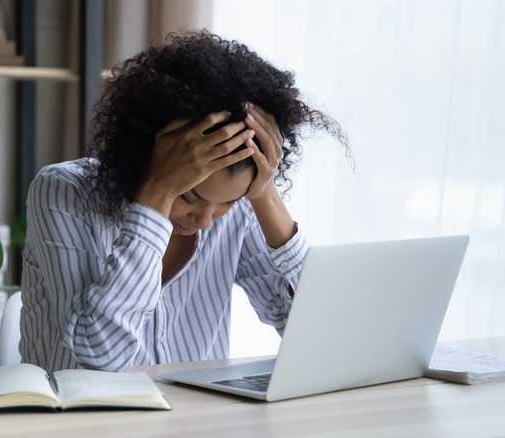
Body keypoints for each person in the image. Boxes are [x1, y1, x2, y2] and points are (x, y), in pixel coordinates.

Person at [19, 30, 347, 372]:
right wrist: (158, 194)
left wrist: (264, 196)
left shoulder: (242, 209)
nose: (205, 220)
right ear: (146, 156)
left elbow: (320, 338)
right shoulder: (64, 192)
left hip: (196, 423)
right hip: (81, 423)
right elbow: (102, 356)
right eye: (190, 196)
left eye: (228, 202)